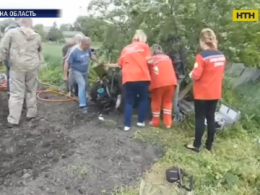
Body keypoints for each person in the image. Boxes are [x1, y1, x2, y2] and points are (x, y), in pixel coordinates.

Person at [185, 28, 226, 152]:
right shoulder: (221, 56)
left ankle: (196, 145)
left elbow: (196, 75)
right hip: (215, 92)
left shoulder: (201, 56)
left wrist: (190, 74)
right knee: (211, 118)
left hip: (202, 93)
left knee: (200, 118)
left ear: (202, 41)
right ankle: (209, 145)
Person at [0, 18, 43, 128]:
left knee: (16, 93)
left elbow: (2, 49)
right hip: (33, 66)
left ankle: (14, 119)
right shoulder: (37, 35)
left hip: (17, 66)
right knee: (31, 90)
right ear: (31, 23)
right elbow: (39, 51)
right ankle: (31, 113)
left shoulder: (12, 33)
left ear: (21, 22)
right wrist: (39, 64)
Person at [105, 29, 152, 131]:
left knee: (129, 101)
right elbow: (149, 60)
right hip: (142, 77)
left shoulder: (125, 49)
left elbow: (119, 64)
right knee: (143, 99)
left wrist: (107, 65)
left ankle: (127, 125)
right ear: (143, 38)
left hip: (128, 77)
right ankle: (140, 122)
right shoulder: (144, 46)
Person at [63, 36, 98, 113]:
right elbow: (67, 62)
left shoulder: (87, 48)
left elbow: (91, 55)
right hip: (76, 71)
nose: (89, 47)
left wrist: (98, 61)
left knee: (85, 85)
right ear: (83, 44)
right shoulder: (74, 51)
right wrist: (65, 75)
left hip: (84, 71)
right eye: (88, 45)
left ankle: (82, 98)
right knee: (82, 84)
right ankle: (82, 105)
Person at [149, 45, 177, 128]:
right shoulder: (167, 58)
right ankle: (168, 123)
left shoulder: (151, 59)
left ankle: (155, 122)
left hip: (158, 83)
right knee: (168, 102)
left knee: (156, 102)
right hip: (171, 82)